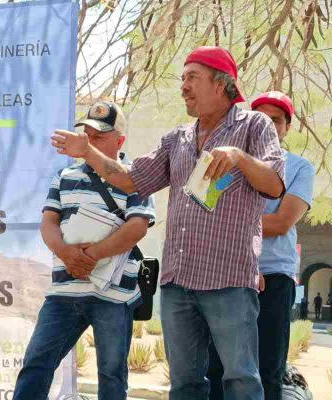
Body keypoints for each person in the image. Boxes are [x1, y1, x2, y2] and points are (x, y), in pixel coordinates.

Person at [52, 46, 285, 400]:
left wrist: (238, 157)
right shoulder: (177, 139)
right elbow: (131, 180)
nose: (184, 86)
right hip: (178, 282)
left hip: (229, 279)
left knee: (240, 380)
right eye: (182, 79)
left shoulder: (254, 125)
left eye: (192, 77)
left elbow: (273, 184)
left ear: (222, 84)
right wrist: (88, 151)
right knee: (185, 384)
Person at [13, 100, 156, 400]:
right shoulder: (65, 177)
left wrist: (90, 256)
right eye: (87, 133)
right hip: (65, 292)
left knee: (112, 376)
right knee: (36, 364)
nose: (90, 140)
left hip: (114, 294)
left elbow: (137, 227)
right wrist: (67, 254)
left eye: (99, 135)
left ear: (120, 140)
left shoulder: (136, 178)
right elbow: (48, 223)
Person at [207, 91, 315, 400]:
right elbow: (205, 210)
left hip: (274, 279)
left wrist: (231, 221)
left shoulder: (299, 168)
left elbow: (282, 223)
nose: (268, 125)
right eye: (261, 118)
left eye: (276, 120)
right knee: (216, 367)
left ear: (287, 127)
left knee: (267, 368)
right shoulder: (227, 164)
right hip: (225, 276)